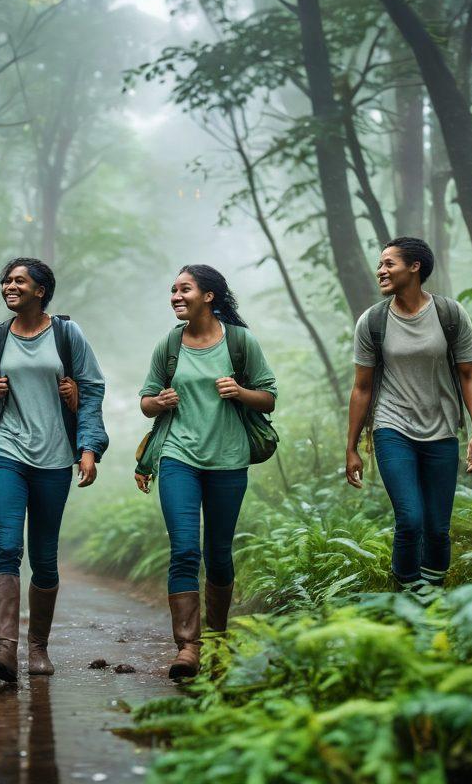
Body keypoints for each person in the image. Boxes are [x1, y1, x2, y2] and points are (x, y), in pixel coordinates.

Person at [0, 257, 109, 682]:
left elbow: (93, 388)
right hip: (6, 452)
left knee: (44, 557)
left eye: (19, 281)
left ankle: (38, 648)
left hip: (54, 456)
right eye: (6, 280)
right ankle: (5, 651)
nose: (10, 286)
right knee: (6, 548)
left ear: (40, 290)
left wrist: (88, 448)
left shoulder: (67, 334)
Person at [136, 264, 277, 680]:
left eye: (185, 289)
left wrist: (240, 392)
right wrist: (159, 402)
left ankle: (216, 640)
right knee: (184, 550)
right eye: (173, 290)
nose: (176, 296)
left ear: (209, 296)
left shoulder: (239, 342)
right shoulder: (170, 344)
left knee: (218, 553)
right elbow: (145, 400)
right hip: (178, 457)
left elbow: (268, 398)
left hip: (228, 459)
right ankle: (188, 648)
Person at [345, 236, 472, 590]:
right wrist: (351, 448)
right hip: (392, 428)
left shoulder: (449, 314)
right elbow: (361, 388)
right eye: (379, 264)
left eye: (389, 263)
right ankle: (408, 596)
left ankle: (431, 600)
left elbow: (468, 375)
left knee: (438, 528)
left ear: (415, 266)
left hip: (441, 430)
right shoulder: (372, 322)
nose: (381, 271)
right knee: (410, 519)